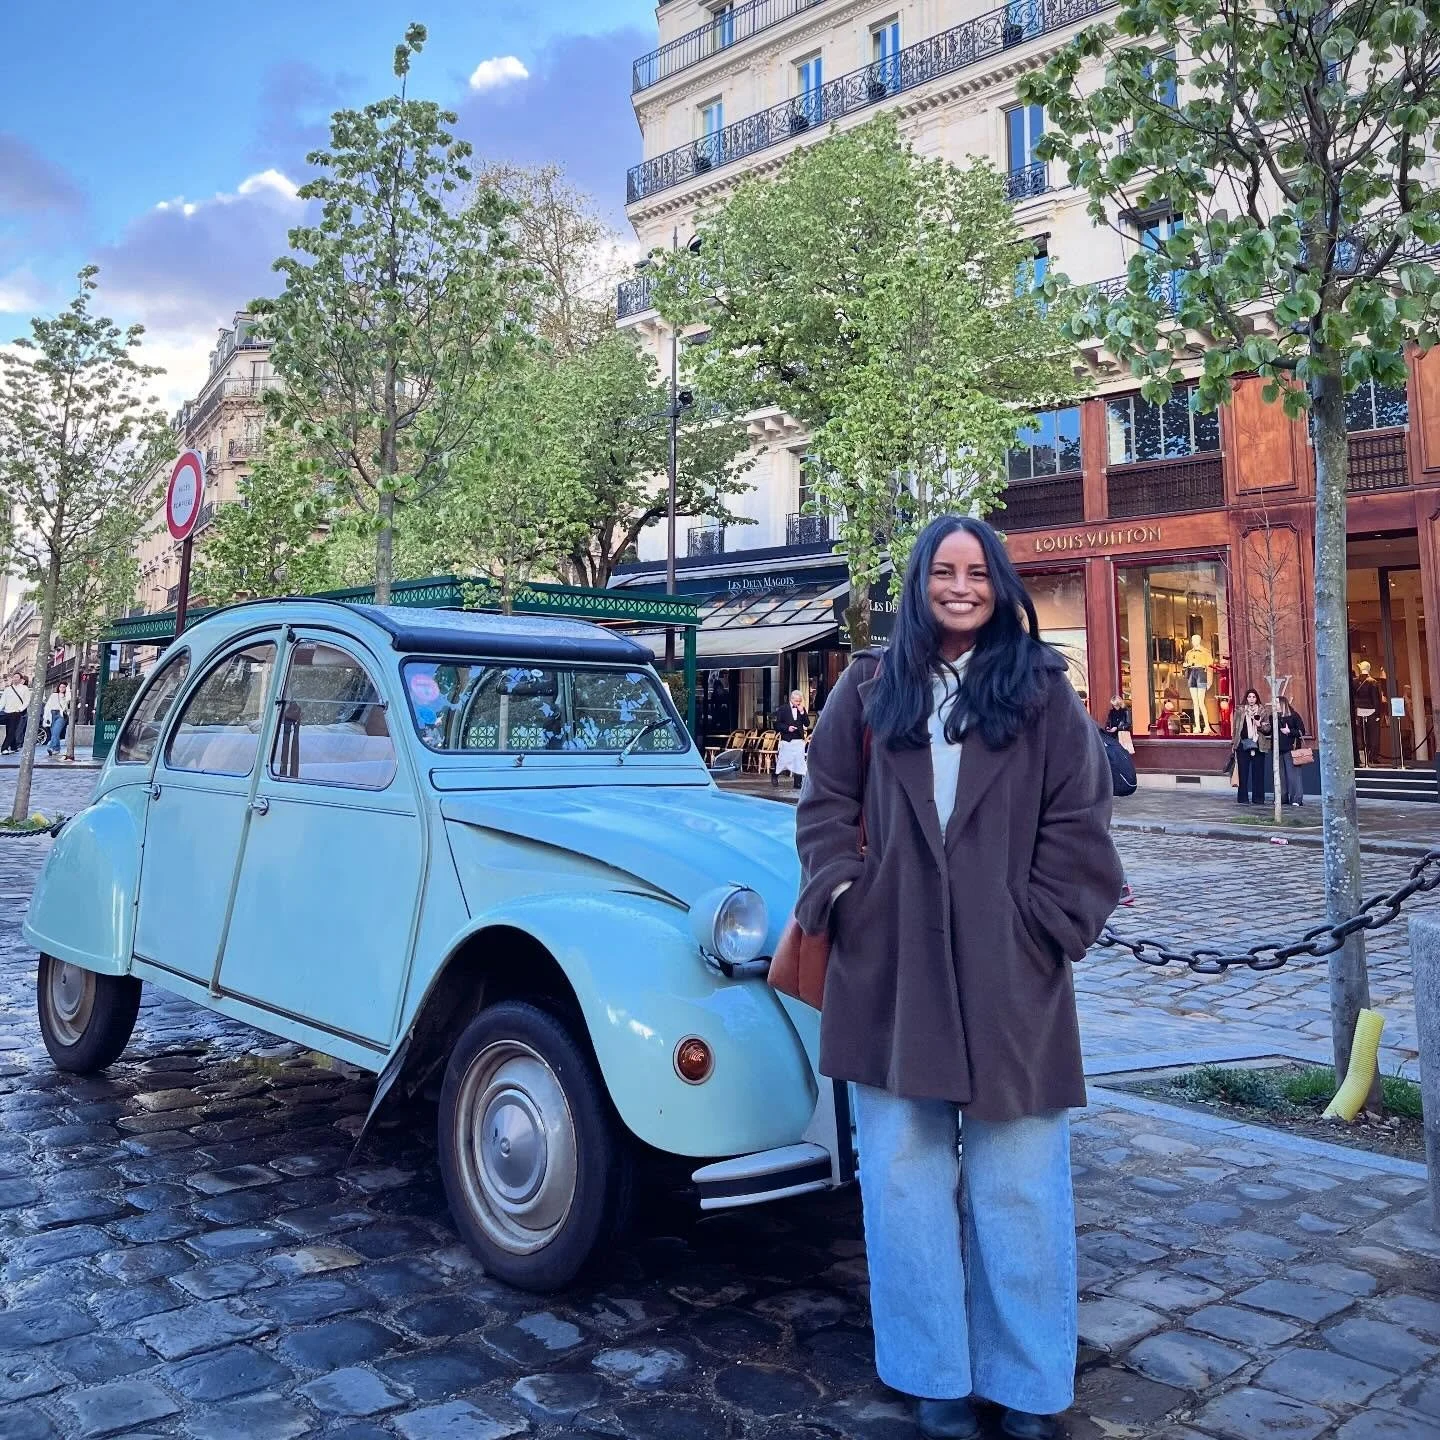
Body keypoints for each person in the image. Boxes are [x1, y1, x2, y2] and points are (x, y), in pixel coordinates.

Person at [795, 515, 1124, 1440]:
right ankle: (933, 1370)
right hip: (888, 968)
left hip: (1010, 973)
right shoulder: (867, 687)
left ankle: (1025, 1382)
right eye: (944, 571)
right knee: (903, 1175)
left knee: (1020, 1180)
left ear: (1002, 583)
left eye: (978, 571)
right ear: (919, 583)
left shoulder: (1041, 691)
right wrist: (845, 893)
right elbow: (822, 804)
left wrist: (1046, 924)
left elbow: (1080, 819)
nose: (962, 586)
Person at [1232, 689, 1266, 804]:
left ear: (1257, 698)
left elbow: (1268, 729)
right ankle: (1243, 798)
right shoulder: (1240, 710)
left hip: (1258, 744)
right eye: (1249, 697)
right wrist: (1234, 743)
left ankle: (1258, 798)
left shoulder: (1262, 711)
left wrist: (1259, 725)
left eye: (1254, 697)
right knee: (1243, 773)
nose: (1251, 699)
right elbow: (1235, 728)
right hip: (1243, 744)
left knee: (1258, 773)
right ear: (1246, 698)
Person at [774, 689, 810, 789]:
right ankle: (775, 774)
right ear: (791, 699)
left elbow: (807, 723)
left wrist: (802, 712)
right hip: (787, 738)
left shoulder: (801, 709)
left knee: (799, 760)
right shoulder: (783, 709)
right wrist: (787, 728)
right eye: (796, 701)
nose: (798, 703)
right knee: (783, 759)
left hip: (799, 738)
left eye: (799, 701)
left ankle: (797, 783)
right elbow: (777, 724)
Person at [1277, 694, 1307, 807]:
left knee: (1294, 775)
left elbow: (1301, 731)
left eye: (1276, 703)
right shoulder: (1274, 717)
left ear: (1282, 704)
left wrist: (1289, 731)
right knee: (1281, 775)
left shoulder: (1294, 716)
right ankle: (1282, 797)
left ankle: (1296, 798)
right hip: (1278, 750)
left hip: (1291, 749)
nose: (1274, 706)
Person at [0, 673, 30, 755]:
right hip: (7, 711)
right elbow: (3, 701)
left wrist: (20, 709)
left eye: (17, 677)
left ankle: (4, 748)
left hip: (17, 712)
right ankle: (14, 747)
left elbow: (27, 700)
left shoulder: (24, 688)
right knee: (9, 729)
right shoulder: (8, 689)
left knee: (12, 730)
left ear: (21, 679)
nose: (15, 679)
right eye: (14, 677)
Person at [44, 681, 68, 758]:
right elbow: (48, 706)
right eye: (61, 687)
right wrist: (46, 716)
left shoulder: (67, 697)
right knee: (54, 733)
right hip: (52, 714)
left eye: (64, 687)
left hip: (61, 715)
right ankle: (57, 748)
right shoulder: (54, 695)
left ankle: (51, 747)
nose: (62, 689)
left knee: (56, 732)